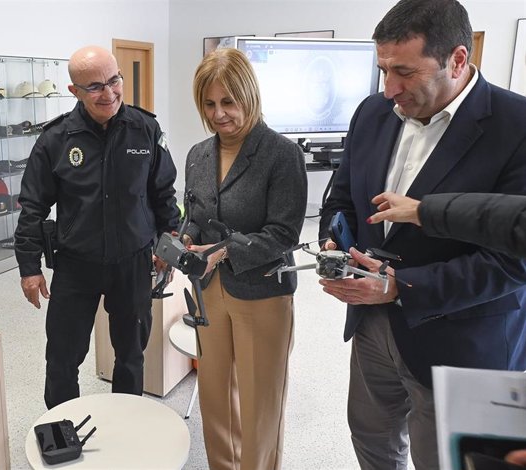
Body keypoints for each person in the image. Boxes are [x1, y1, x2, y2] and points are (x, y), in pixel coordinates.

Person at [317, 0, 526, 468]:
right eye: (383, 69)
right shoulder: (372, 113)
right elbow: (343, 197)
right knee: (373, 440)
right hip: (372, 327)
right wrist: (337, 238)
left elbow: (514, 262)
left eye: (405, 72)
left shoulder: (517, 127)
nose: (389, 88)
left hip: (462, 341)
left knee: (449, 459)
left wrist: (398, 288)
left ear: (457, 59)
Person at [14, 45, 179, 409]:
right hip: (76, 265)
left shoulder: (145, 129)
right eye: (95, 87)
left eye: (114, 81)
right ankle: (60, 432)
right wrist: (29, 268)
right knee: (61, 359)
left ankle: (125, 427)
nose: (109, 93)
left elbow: (164, 194)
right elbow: (32, 208)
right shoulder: (55, 140)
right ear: (74, 91)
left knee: (131, 356)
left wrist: (169, 242)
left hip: (133, 264)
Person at [184, 48, 307, 470]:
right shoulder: (198, 154)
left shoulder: (281, 154)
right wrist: (185, 239)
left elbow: (284, 233)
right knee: (215, 394)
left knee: (259, 404)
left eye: (228, 102)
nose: (219, 114)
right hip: (209, 293)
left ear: (248, 97)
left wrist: (224, 250)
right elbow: (195, 214)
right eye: (210, 104)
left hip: (262, 293)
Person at [368, 191, 526, 258]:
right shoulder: (372, 122)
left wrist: (423, 212)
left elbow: (516, 228)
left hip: (460, 320)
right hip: (365, 313)